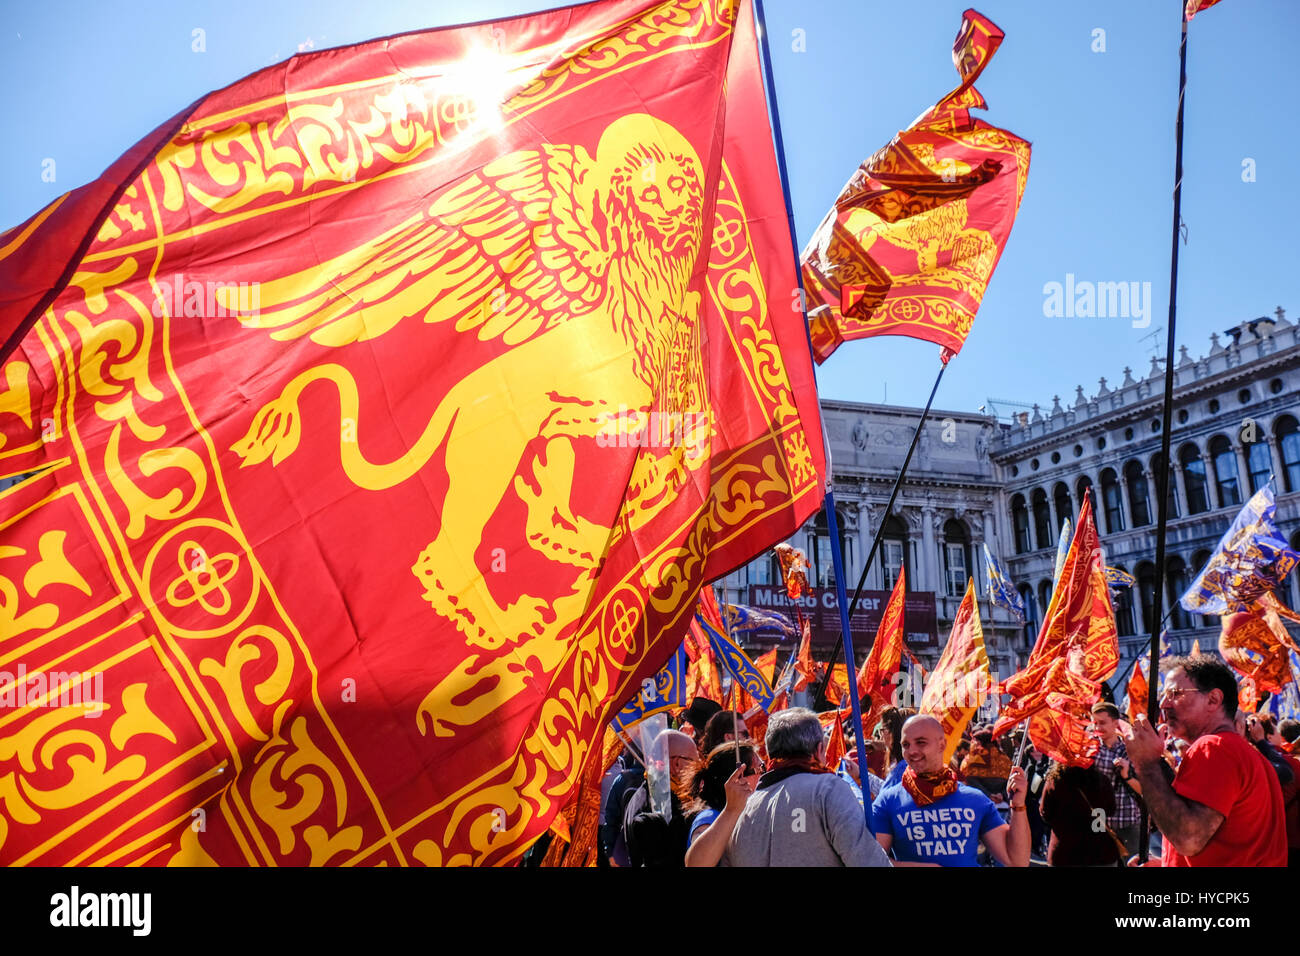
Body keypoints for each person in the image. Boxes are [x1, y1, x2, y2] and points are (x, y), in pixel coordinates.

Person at [1125, 655, 1287, 867]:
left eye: (1174, 693)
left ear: (1213, 699)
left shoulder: (1214, 747)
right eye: (1164, 694)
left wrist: (1146, 764)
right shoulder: (1250, 755)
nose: (1164, 704)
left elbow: (1189, 839)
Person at [718, 708, 891, 867]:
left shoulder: (740, 808)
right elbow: (869, 862)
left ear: (771, 754)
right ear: (819, 749)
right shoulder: (828, 789)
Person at [872, 715, 1031, 867]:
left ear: (942, 745)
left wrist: (1018, 806)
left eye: (921, 742)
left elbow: (1016, 860)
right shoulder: (888, 801)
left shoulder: (975, 800)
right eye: (906, 745)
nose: (911, 751)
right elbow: (870, 861)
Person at [622, 730, 698, 867]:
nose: (698, 769)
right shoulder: (665, 803)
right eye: (694, 762)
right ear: (677, 764)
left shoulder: (640, 794)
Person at [683, 742, 761, 867]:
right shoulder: (709, 817)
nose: (765, 774)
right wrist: (731, 811)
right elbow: (696, 864)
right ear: (738, 778)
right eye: (760, 768)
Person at [1039, 761, 1122, 867]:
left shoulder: (1055, 782)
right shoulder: (1102, 780)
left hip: (1065, 853)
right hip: (1099, 851)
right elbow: (1111, 809)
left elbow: (1046, 814)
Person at [1089, 702, 1144, 859]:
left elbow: (1144, 790)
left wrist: (1126, 775)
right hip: (1099, 817)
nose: (1098, 727)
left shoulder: (1130, 750)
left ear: (1115, 722)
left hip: (1127, 817)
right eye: (1095, 723)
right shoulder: (1089, 749)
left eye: (1102, 723)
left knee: (1133, 862)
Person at [961, 727, 1012, 808]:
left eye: (976, 742)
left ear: (981, 743)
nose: (974, 744)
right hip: (1002, 803)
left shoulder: (974, 758)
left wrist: (989, 795)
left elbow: (971, 780)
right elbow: (1009, 781)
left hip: (979, 803)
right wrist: (1001, 795)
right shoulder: (1004, 758)